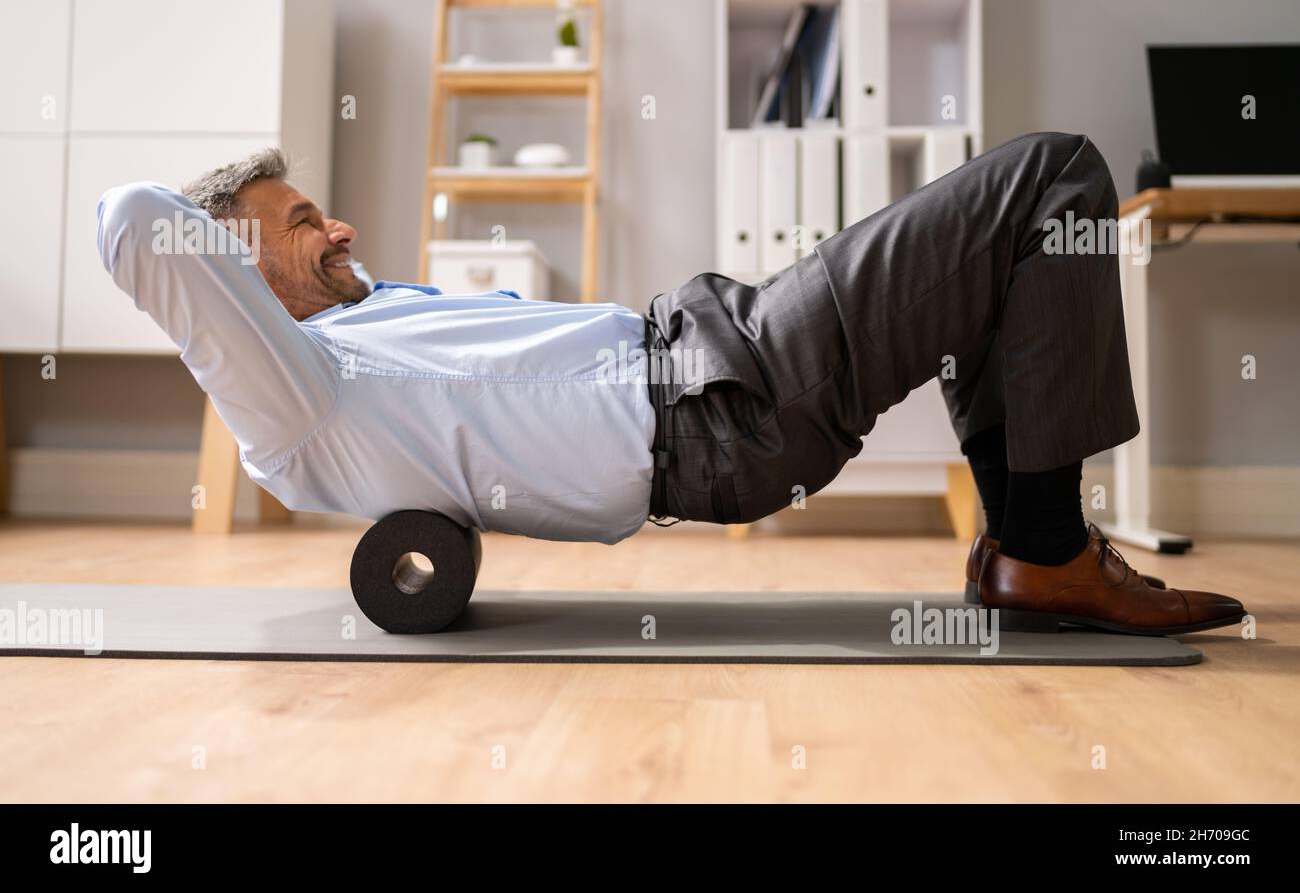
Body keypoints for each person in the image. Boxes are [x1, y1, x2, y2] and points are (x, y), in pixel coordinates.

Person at [96, 134, 1245, 636]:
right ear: (234, 276)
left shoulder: (369, 314)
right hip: (722, 414)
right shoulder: (294, 399)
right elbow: (134, 222)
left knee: (1010, 252)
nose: (338, 224)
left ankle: (1031, 548)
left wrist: (307, 258)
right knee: (1054, 176)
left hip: (716, 347)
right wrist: (222, 267)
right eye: (303, 223)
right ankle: (1044, 552)